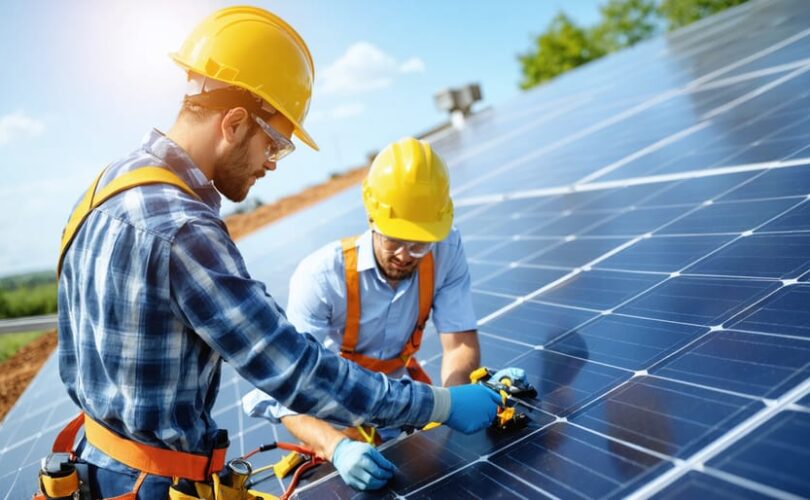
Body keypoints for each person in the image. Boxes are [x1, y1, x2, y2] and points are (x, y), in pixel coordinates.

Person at [43, 7, 500, 499]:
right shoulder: (181, 231)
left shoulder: (104, 189)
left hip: (92, 469)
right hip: (148, 484)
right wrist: (442, 406)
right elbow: (298, 373)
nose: (272, 164)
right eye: (276, 145)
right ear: (235, 123)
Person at [243, 137, 527, 491]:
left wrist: (457, 399)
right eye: (393, 238)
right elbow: (289, 390)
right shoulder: (320, 278)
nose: (406, 255)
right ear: (371, 216)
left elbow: (458, 346)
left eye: (420, 242)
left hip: (407, 404)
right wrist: (337, 448)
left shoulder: (446, 249)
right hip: (332, 416)